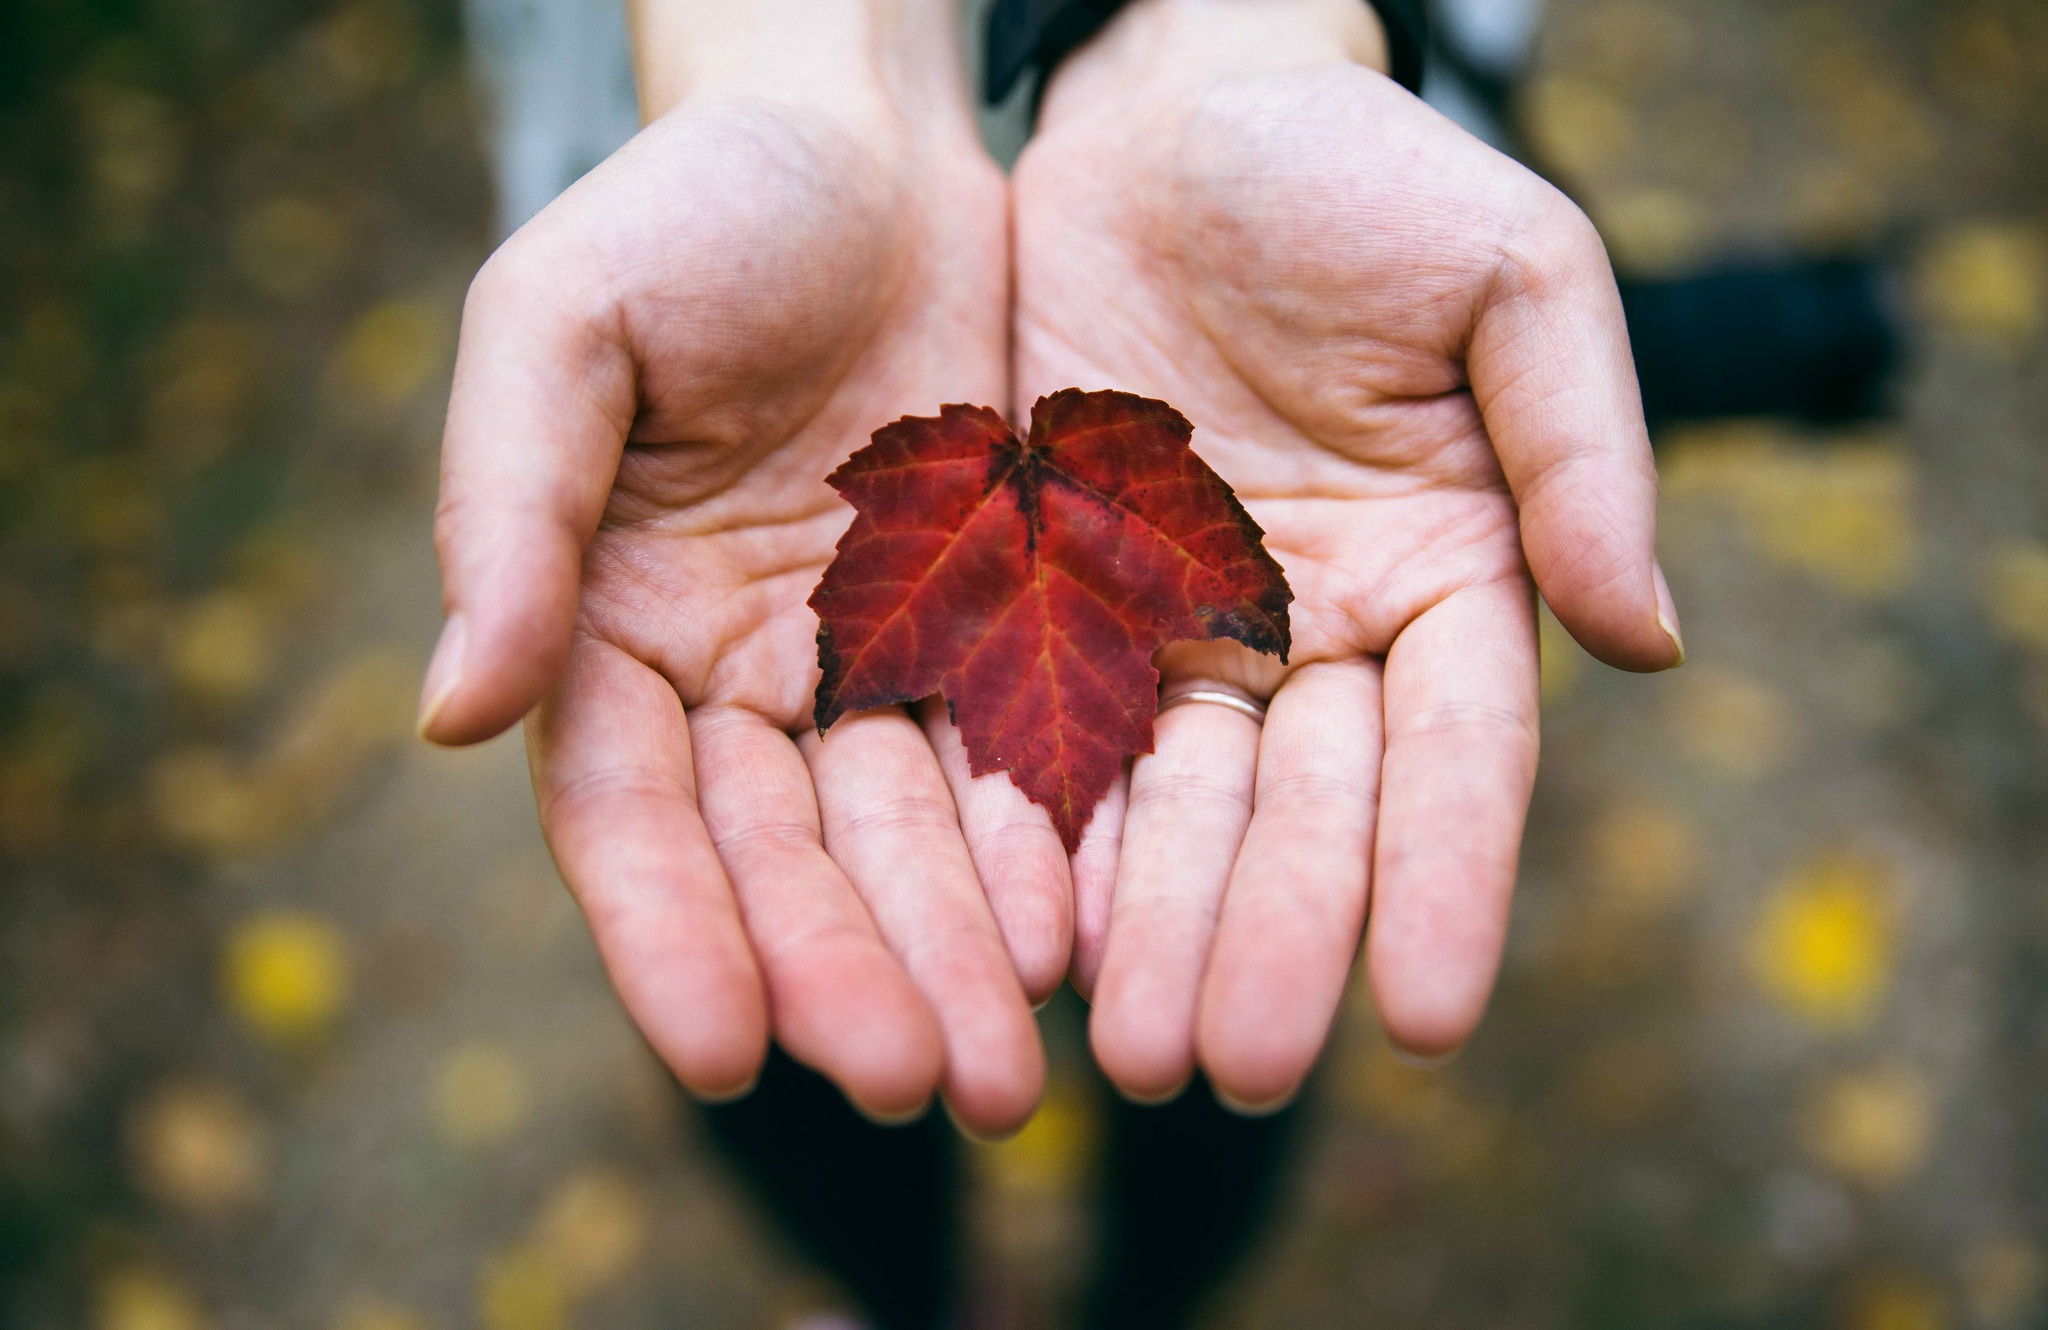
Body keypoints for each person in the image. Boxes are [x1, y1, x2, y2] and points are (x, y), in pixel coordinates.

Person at [416, 0, 1682, 1321]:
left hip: (1280, 213)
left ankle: (1139, 1299)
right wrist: (807, 68)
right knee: (785, 933)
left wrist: (1235, 32)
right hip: (690, 189)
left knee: (1214, 946)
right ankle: (903, 1293)